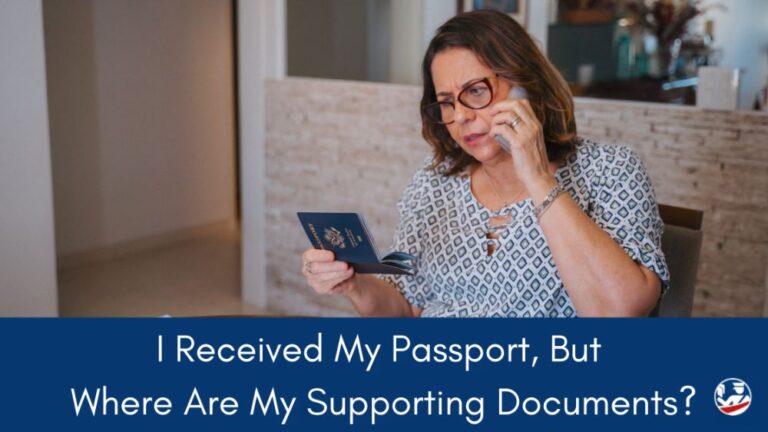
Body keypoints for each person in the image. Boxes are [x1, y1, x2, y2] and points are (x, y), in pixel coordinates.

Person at [301, 10, 669, 317]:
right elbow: (406, 310)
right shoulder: (433, 182)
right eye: (447, 102)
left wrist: (537, 177)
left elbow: (621, 311)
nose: (460, 116)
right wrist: (354, 284)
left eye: (476, 91)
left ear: (527, 86)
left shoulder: (610, 170)